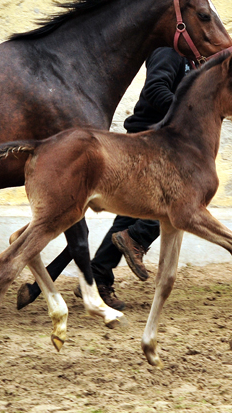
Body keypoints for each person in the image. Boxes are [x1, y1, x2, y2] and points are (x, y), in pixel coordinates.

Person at [75, 47, 192, 310]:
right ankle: (136, 238)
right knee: (176, 200)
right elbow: (155, 89)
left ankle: (97, 276)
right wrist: (188, 112)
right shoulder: (168, 52)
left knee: (130, 214)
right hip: (146, 138)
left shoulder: (194, 59)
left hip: (166, 140)